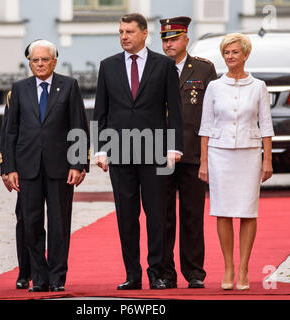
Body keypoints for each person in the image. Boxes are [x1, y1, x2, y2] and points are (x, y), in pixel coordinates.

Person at [93, 13, 183, 290]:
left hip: (156, 152)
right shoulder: (108, 66)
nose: (124, 37)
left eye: (129, 32)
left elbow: (175, 111)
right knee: (126, 217)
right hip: (120, 152)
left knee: (157, 215)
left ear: (145, 34)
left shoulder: (164, 65)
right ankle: (132, 274)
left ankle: (157, 273)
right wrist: (101, 149)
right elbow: (101, 110)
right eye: (120, 32)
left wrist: (174, 147)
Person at [6, 40, 89, 292]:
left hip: (61, 168)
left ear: (54, 61)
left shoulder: (69, 86)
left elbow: (79, 126)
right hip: (27, 168)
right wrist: (9, 168)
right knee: (30, 223)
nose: (39, 64)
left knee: (59, 224)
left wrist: (78, 163)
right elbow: (10, 132)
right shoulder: (20, 88)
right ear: (29, 63)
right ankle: (38, 278)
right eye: (34, 60)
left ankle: (57, 277)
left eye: (44, 60)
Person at [198, 33, 274, 290]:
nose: (230, 57)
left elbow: (266, 125)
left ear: (245, 54)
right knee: (223, 210)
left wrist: (267, 160)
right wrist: (204, 163)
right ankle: (228, 267)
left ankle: (244, 269)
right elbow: (205, 127)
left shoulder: (259, 87)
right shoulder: (214, 87)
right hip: (219, 154)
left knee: (247, 211)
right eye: (226, 53)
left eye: (235, 52)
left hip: (250, 153)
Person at [160, 16, 217, 289]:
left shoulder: (204, 70)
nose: (168, 44)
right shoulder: (154, 68)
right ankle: (165, 273)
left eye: (173, 39)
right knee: (163, 217)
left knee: (193, 215)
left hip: (193, 152)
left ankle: (194, 272)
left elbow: (213, 112)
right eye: (165, 39)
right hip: (160, 154)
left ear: (186, 39)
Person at [0, 91, 31, 290]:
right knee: (26, 219)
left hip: (55, 164)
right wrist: (6, 167)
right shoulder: (16, 93)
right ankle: (25, 271)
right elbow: (8, 131)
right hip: (25, 164)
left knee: (56, 220)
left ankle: (51, 272)